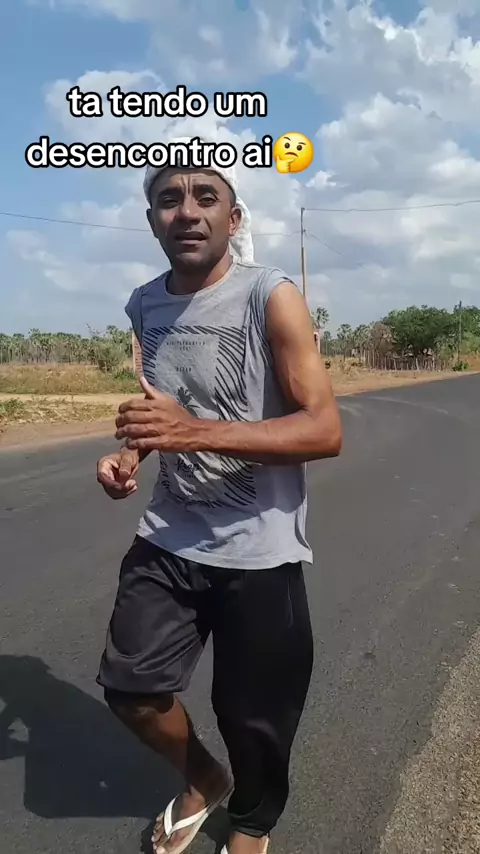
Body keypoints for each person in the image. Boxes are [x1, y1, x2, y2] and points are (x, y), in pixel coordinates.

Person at [96, 139, 342, 854]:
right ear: (152, 220)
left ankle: (253, 822)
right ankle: (205, 778)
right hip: (169, 536)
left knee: (253, 717)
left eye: (206, 196)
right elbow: (166, 408)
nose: (188, 211)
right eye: (169, 199)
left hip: (260, 550)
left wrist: (192, 432)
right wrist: (131, 453)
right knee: (131, 688)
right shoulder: (144, 304)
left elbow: (324, 430)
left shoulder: (272, 296)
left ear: (233, 219)